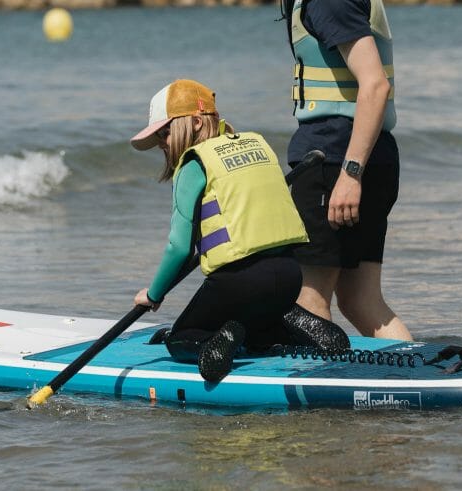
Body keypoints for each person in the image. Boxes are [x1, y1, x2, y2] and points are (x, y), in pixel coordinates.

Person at [241, 0, 413, 341]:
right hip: (372, 153)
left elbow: (374, 84)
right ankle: (412, 375)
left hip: (335, 160)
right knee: (361, 300)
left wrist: (350, 174)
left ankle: (325, 391)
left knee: (307, 302)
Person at [130, 79, 346, 382]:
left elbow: (179, 248)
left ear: (195, 123)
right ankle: (288, 322)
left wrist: (153, 294)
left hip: (239, 282)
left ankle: (223, 337)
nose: (162, 143)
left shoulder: (194, 164)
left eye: (165, 132)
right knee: (256, 333)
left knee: (180, 338)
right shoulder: (255, 144)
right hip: (288, 275)